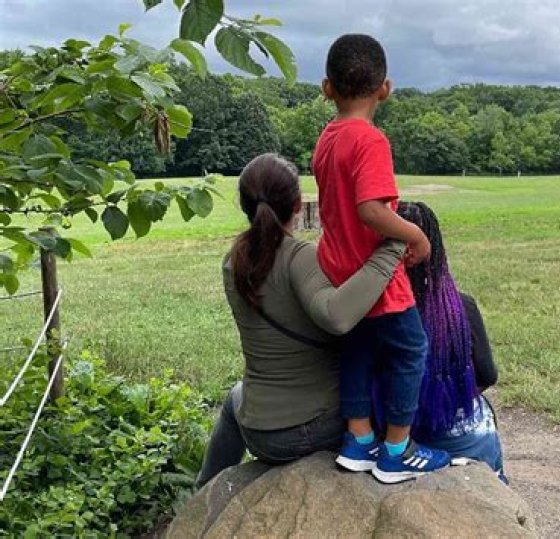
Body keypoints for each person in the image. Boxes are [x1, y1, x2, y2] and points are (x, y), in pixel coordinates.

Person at [195, 153, 406, 488]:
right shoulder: (299, 257)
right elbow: (337, 317)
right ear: (297, 205)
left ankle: (205, 490)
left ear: (245, 205)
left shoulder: (233, 260)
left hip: (255, 429)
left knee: (237, 394)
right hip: (307, 429)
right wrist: (391, 248)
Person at [313, 33, 450, 483]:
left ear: (327, 88)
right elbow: (371, 211)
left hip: (342, 275)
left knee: (358, 350)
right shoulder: (370, 140)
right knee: (411, 350)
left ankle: (358, 440)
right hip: (377, 275)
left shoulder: (327, 137)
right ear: (385, 89)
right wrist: (416, 236)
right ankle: (396, 451)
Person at [394, 201, 507, 483]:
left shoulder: (373, 312)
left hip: (400, 440)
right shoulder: (460, 307)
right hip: (467, 441)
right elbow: (488, 375)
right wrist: (445, 403)